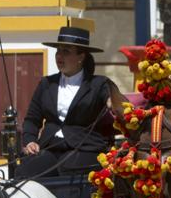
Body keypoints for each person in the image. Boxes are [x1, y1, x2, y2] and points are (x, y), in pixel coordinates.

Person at [19, 26, 115, 177]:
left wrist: (112, 103)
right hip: (50, 147)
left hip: (85, 149)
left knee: (69, 170)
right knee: (26, 170)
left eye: (66, 51)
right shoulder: (47, 84)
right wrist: (30, 141)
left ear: (81, 57)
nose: (59, 56)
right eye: (58, 51)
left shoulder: (98, 84)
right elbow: (32, 119)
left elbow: (115, 101)